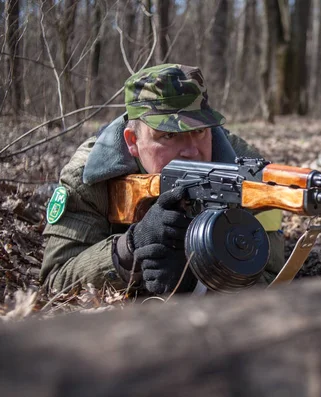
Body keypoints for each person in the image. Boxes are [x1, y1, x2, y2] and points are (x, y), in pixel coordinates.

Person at [41, 64, 285, 295]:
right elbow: (55, 278)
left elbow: (272, 277)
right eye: (169, 135)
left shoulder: (248, 174)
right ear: (132, 142)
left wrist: (199, 279)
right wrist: (130, 249)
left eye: (199, 131)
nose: (191, 151)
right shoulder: (91, 175)